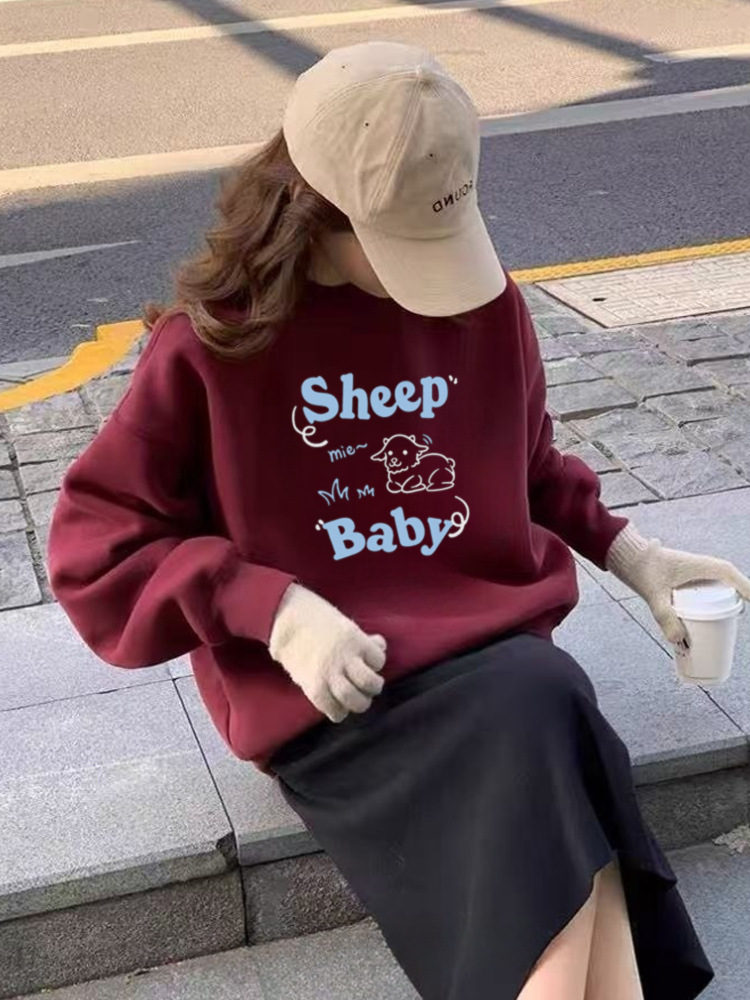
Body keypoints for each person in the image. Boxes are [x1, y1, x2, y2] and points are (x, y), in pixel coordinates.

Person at [47, 40, 748, 1000]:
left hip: (493, 666)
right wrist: (277, 611)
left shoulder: (484, 307)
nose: (435, 275)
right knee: (553, 728)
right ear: (312, 212)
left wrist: (636, 555)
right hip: (337, 695)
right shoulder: (213, 349)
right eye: (401, 246)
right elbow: (99, 548)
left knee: (545, 701)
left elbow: (525, 464)